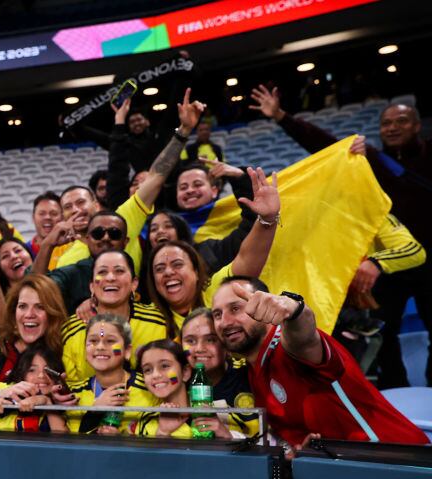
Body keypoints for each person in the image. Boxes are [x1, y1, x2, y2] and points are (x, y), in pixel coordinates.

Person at [252, 85, 431, 388]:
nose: (392, 128)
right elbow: (324, 148)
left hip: (421, 258)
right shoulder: (368, 159)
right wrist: (281, 117)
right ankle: (392, 397)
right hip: (385, 265)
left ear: (416, 125)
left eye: (401, 121)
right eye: (386, 123)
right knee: (383, 338)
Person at [210, 277, 429, 449]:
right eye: (217, 314)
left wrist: (293, 309)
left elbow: (304, 335)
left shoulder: (289, 347)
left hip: (397, 461)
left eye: (236, 309)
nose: (225, 322)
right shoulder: (252, 371)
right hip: (343, 474)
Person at [39, 89, 208, 276]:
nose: (76, 209)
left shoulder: (123, 220)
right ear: (62, 216)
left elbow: (156, 176)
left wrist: (183, 131)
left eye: (81, 202)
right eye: (68, 206)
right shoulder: (65, 261)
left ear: (95, 204)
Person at [146, 167, 280, 338]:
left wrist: (267, 219)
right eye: (159, 268)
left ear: (196, 271)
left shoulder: (217, 290)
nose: (168, 272)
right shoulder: (146, 321)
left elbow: (248, 258)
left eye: (177, 264)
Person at [0, 275, 69, 423]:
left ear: (52, 313)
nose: (29, 315)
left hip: (42, 441)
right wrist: (1, 396)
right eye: (22, 306)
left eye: (40, 307)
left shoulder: (60, 349)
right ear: (13, 312)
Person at [60, 249, 167, 391]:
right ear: (92, 286)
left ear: (134, 283)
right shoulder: (71, 330)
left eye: (119, 271)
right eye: (102, 272)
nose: (110, 278)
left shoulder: (158, 322)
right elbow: (71, 389)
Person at [128, 339, 237, 439]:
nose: (155, 375)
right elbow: (148, 460)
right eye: (147, 370)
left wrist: (225, 435)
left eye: (165, 366)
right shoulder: (147, 421)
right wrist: (162, 432)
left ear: (185, 372)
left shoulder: (222, 411)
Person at [70, 313, 155, 435]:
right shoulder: (74, 394)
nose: (100, 347)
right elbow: (71, 445)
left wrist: (121, 439)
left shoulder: (149, 389)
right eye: (93, 341)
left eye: (110, 341)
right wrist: (94, 411)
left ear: (127, 351)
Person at [180, 307, 257, 438]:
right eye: (190, 341)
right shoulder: (178, 384)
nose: (199, 349)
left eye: (210, 339)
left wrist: (229, 437)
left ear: (225, 344)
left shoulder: (250, 376)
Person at [0, 342, 70, 433]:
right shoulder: (11, 389)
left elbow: (62, 438)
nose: (41, 376)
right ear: (22, 373)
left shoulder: (62, 400)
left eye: (48, 370)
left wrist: (46, 402)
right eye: (32, 370)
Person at [26, 192, 63, 267]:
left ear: (62, 217)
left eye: (54, 213)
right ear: (33, 217)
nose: (47, 217)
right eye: (42, 213)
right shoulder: (24, 250)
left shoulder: (72, 247)